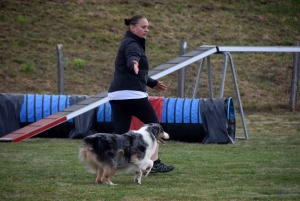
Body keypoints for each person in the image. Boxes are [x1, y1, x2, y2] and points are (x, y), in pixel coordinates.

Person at [108, 15, 174, 173]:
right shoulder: (132, 44)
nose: (147, 30)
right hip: (133, 95)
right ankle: (155, 163)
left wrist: (152, 83)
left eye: (147, 27)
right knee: (155, 127)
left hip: (116, 95)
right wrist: (134, 62)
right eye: (143, 27)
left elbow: (136, 73)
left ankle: (107, 160)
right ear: (132, 28)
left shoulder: (128, 42)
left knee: (120, 133)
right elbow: (133, 58)